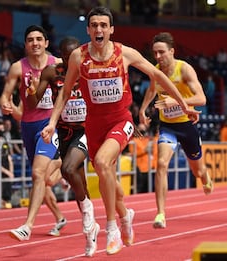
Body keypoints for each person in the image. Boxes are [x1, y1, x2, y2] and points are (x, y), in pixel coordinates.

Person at [41, 7, 200, 255]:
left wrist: (184, 106)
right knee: (110, 182)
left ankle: (112, 228)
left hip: (121, 121)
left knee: (103, 164)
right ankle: (126, 216)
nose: (99, 29)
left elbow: (157, 74)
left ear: (111, 29)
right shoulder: (78, 57)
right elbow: (64, 91)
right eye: (94, 25)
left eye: (103, 25)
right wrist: (52, 122)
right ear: (88, 30)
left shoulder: (124, 53)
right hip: (93, 124)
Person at [26, 36, 101, 256]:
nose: (71, 60)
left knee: (67, 169)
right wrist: (31, 90)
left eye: (74, 55)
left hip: (86, 130)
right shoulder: (51, 72)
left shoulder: (90, 69)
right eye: (66, 57)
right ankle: (91, 234)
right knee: (79, 184)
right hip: (63, 132)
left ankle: (96, 214)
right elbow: (34, 103)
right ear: (61, 55)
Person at [139, 32, 213, 229]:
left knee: (197, 172)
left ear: (172, 51)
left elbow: (202, 99)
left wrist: (177, 101)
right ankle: (160, 214)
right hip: (168, 126)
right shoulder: (156, 69)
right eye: (155, 53)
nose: (158, 57)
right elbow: (152, 89)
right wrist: (143, 108)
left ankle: (205, 175)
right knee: (161, 164)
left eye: (162, 52)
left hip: (187, 126)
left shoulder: (184, 70)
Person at [0, 25, 67, 241]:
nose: (35, 43)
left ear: (46, 43)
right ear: (26, 44)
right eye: (30, 39)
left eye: (39, 39)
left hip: (50, 123)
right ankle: (61, 168)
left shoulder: (57, 64)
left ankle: (27, 226)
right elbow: (5, 95)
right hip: (28, 126)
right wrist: (5, 105)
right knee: (41, 179)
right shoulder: (18, 68)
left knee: (38, 174)